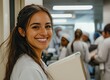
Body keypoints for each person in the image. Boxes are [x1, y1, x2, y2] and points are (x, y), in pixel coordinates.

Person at [0, 4, 53, 80]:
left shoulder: (32, 61)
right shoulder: (29, 69)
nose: (44, 32)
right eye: (35, 27)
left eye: (48, 26)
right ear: (22, 32)